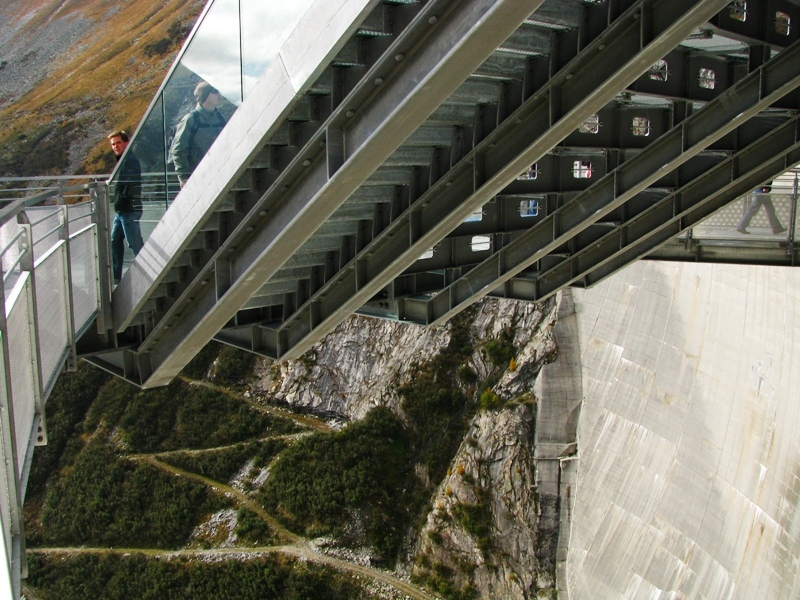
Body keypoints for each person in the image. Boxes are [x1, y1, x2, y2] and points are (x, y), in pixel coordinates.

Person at [170, 81, 227, 187]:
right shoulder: (191, 120)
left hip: (218, 177)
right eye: (214, 91)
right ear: (204, 95)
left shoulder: (220, 118)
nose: (219, 94)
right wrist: (183, 178)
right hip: (196, 179)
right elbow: (178, 150)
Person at [108, 130, 144, 283]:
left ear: (126, 143)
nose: (115, 146)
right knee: (115, 240)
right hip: (122, 210)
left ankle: (147, 273)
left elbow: (130, 184)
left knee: (135, 243)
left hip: (128, 209)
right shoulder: (123, 159)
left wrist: (123, 198)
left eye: (118, 143)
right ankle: (115, 277)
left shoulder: (129, 160)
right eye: (113, 144)